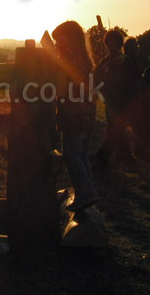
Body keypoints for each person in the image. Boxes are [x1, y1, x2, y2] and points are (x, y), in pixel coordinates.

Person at [52, 21, 99, 212]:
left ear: (68, 38)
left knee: (72, 156)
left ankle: (86, 193)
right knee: (81, 155)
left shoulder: (72, 59)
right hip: (86, 113)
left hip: (74, 114)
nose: (56, 45)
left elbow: (65, 84)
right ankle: (87, 194)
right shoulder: (83, 58)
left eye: (59, 41)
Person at [93, 29, 139, 170]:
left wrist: (131, 104)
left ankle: (110, 158)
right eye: (110, 44)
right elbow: (96, 80)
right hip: (110, 103)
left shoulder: (126, 62)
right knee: (116, 131)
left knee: (116, 131)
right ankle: (122, 158)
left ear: (119, 45)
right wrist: (102, 95)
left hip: (122, 103)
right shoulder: (104, 62)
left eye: (116, 44)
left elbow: (133, 84)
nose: (113, 47)